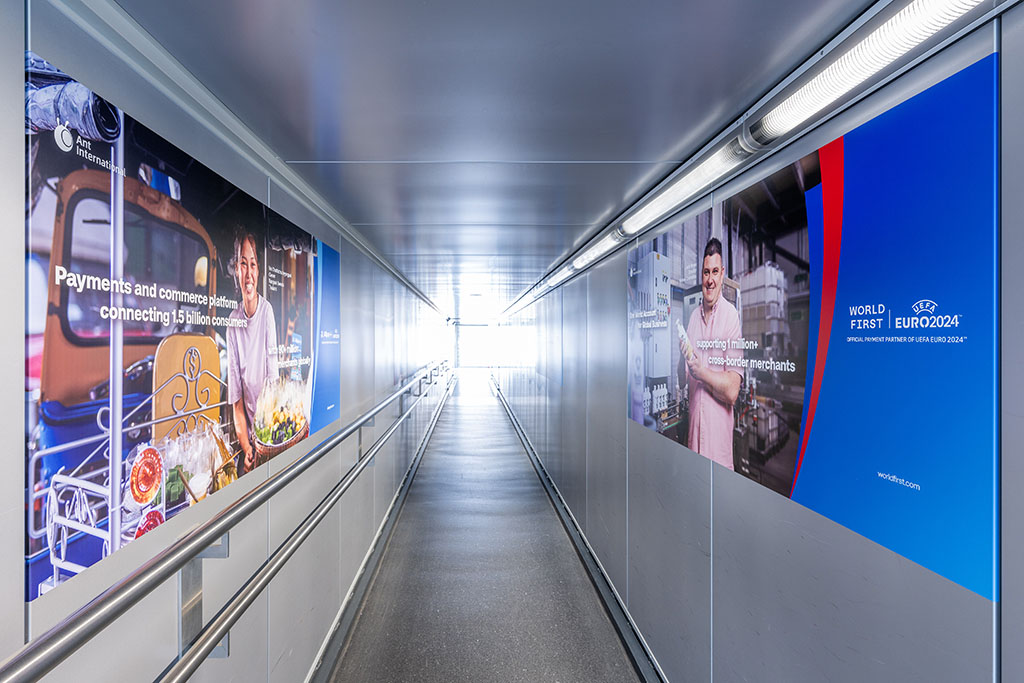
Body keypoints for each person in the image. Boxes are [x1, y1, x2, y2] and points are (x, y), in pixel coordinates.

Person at [678, 237, 743, 470]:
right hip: (693, 448)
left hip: (718, 455)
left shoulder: (730, 316)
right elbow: (682, 381)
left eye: (715, 272)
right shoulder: (693, 318)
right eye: (706, 273)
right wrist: (681, 355)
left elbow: (733, 391)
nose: (710, 280)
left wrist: (702, 372)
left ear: (722, 273)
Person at [226, 231, 278, 474]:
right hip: (250, 439)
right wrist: (247, 448)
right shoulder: (232, 322)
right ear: (236, 270)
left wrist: (265, 442)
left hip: (270, 434)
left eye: (253, 264)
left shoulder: (267, 313)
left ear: (258, 271)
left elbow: (273, 389)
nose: (248, 273)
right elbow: (237, 402)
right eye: (243, 264)